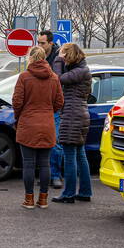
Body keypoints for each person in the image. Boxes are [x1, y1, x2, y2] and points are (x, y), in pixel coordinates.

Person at [12, 45, 64, 209]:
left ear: (30, 58)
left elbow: (17, 101)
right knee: (45, 164)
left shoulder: (24, 77)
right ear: (44, 58)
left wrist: (19, 116)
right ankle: (43, 199)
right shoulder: (54, 77)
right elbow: (59, 102)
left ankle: (29, 199)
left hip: (28, 124)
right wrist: (48, 112)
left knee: (28, 163)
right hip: (47, 124)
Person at [52, 43, 93, 203]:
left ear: (69, 55)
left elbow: (57, 79)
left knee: (70, 156)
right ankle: (85, 192)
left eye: (63, 54)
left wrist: (57, 60)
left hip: (72, 115)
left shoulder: (80, 71)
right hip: (78, 114)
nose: (62, 58)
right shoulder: (81, 70)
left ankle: (68, 194)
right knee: (80, 155)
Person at [38, 30, 65, 189]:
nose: (40, 45)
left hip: (54, 106)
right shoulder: (39, 57)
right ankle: (45, 174)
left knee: (55, 142)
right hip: (40, 105)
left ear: (50, 43)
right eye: (38, 42)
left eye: (42, 43)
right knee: (42, 142)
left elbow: (61, 81)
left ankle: (55, 175)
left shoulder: (59, 58)